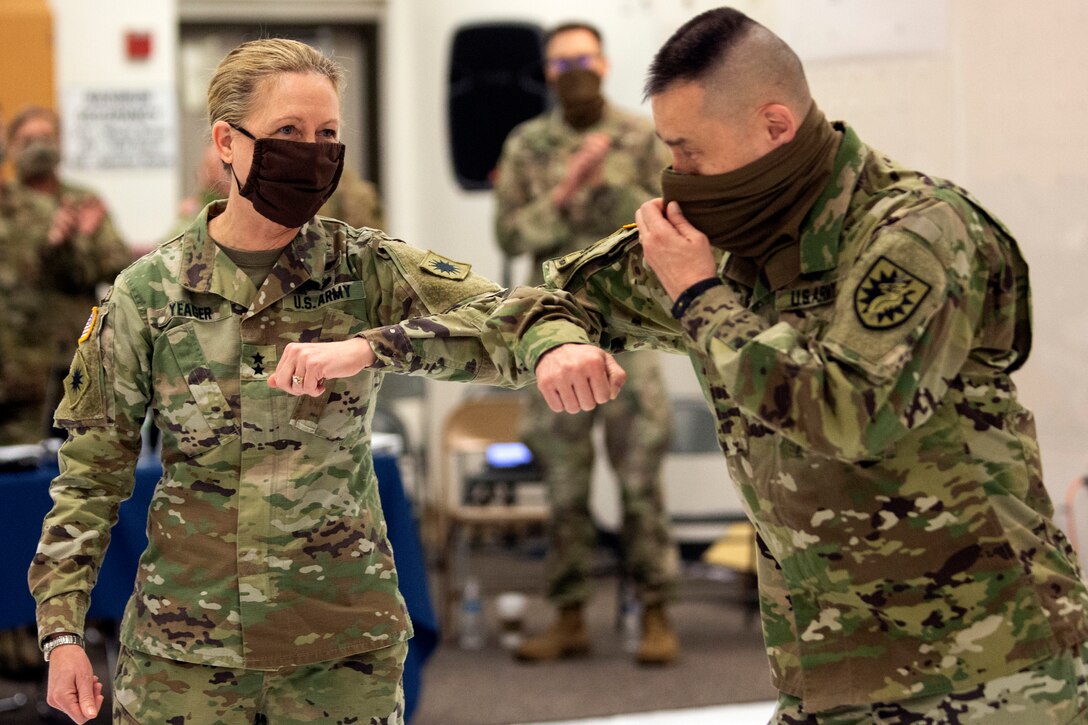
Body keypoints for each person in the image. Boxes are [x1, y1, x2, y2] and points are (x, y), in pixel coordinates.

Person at [488, 7, 1088, 722]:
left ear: (774, 126)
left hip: (984, 670)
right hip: (832, 667)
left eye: (690, 150)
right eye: (668, 150)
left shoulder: (916, 231)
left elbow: (848, 410)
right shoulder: (738, 237)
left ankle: (655, 608)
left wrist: (699, 295)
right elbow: (549, 295)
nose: (676, 174)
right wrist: (386, 345)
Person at [28, 38, 621, 724]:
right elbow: (90, 477)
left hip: (341, 653)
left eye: (328, 134)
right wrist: (62, 630)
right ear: (227, 140)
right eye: (287, 132)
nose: (312, 150)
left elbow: (511, 316)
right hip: (185, 658)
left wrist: (392, 347)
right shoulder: (148, 294)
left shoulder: (363, 267)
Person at [493, 21, 679, 665]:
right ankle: (570, 615)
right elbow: (514, 237)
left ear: (603, 63)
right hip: (557, 325)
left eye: (583, 57)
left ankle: (656, 612)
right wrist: (569, 187)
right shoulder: (527, 145)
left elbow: (671, 217)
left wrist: (612, 184)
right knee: (565, 483)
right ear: (547, 72)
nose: (573, 69)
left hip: (635, 325)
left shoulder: (640, 135)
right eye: (560, 60)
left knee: (640, 476)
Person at [2, 106, 131, 445]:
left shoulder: (83, 200)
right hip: (16, 357)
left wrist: (80, 242)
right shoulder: (7, 204)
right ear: (11, 146)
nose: (38, 146)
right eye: (27, 139)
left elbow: (117, 262)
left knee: (77, 450)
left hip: (73, 352)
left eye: (45, 137)